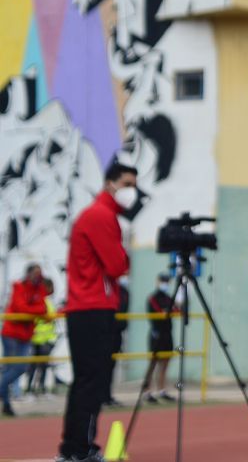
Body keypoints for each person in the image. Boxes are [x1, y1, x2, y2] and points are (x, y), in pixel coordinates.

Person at [57, 162, 135, 462]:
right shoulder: (102, 216)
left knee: (84, 383)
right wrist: (123, 253)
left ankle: (73, 448)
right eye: (128, 184)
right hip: (93, 308)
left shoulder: (97, 215)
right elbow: (117, 265)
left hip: (86, 308)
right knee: (93, 384)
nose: (132, 192)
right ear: (111, 182)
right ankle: (82, 449)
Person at [1, 263, 48, 416]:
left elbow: (43, 309)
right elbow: (20, 307)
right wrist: (34, 310)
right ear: (28, 274)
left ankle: (6, 402)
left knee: (19, 368)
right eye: (35, 273)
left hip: (25, 335)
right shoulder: (19, 286)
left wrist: (32, 310)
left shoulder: (40, 289)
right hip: (12, 334)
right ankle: (6, 404)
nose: (38, 277)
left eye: (39, 274)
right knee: (15, 368)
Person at [142, 272, 177, 403]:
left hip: (168, 333)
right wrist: (168, 311)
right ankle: (146, 391)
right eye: (163, 281)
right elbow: (160, 312)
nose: (165, 283)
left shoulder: (168, 297)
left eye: (167, 281)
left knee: (166, 362)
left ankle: (162, 390)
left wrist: (170, 311)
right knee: (153, 363)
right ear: (157, 281)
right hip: (156, 333)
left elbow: (176, 310)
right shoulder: (153, 298)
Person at [25, 278, 58, 397]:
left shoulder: (49, 301)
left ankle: (41, 389)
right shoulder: (39, 300)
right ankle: (29, 390)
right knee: (33, 366)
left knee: (43, 366)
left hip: (46, 339)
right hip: (37, 338)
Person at [104, 275, 130, 407]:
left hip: (118, 333)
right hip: (106, 333)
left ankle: (107, 396)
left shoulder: (125, 292)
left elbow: (124, 310)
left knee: (111, 366)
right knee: (103, 366)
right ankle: (102, 396)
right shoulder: (107, 289)